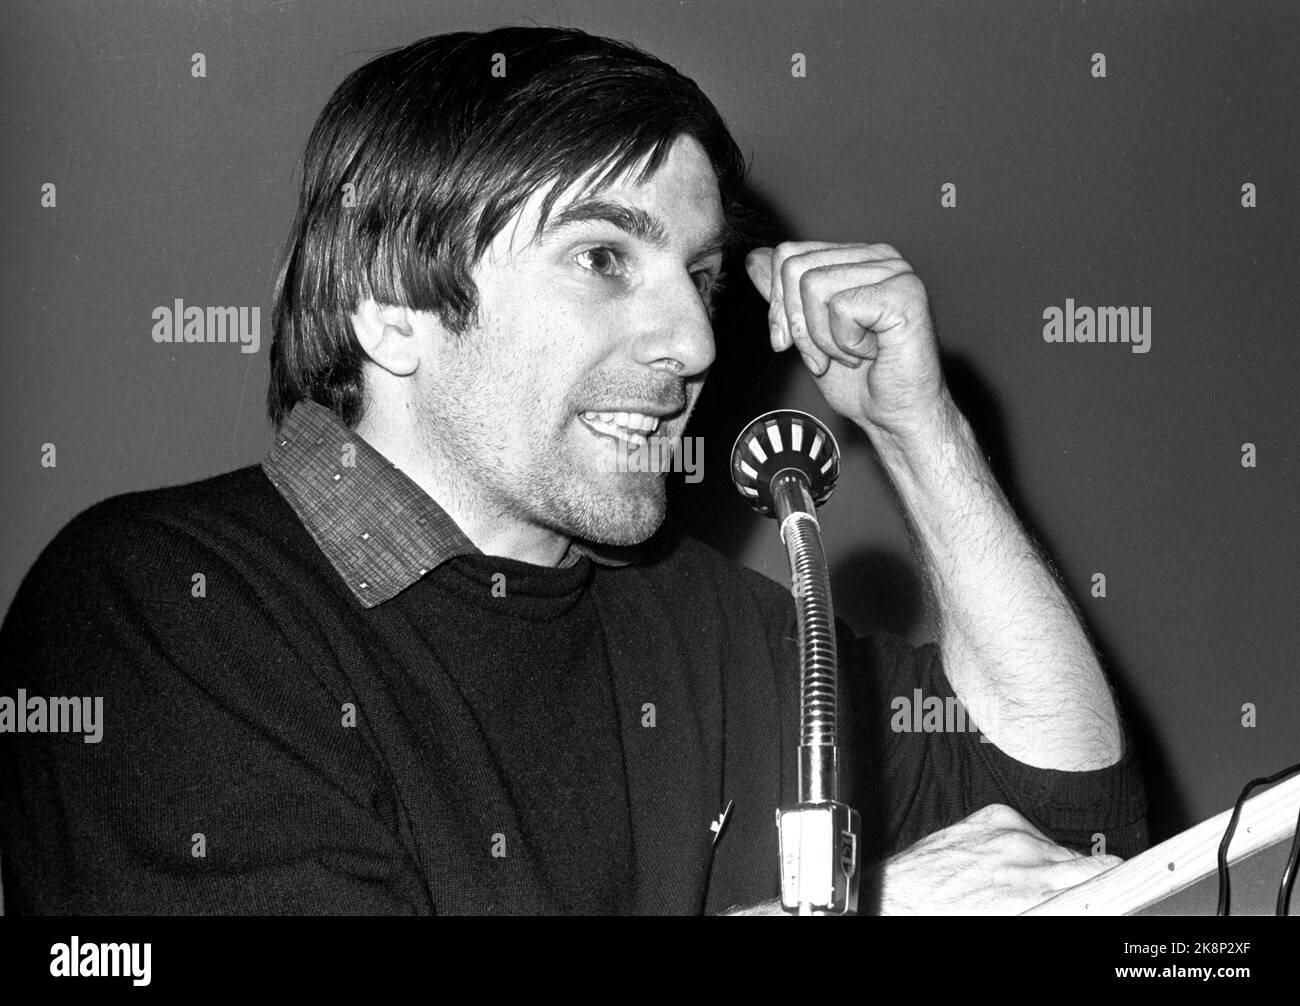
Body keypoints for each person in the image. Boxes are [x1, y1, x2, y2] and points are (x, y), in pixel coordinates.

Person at [0, 26, 1145, 915]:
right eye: (603, 257)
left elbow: (1072, 821)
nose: (696, 345)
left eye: (699, 278)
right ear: (390, 308)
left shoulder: (708, 623)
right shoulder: (160, 604)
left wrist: (918, 429)